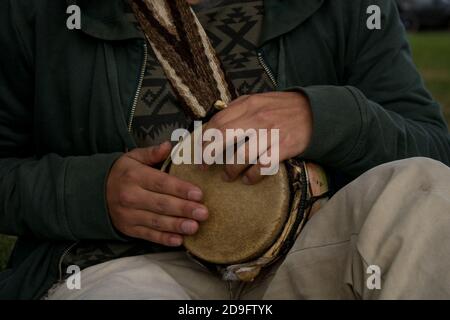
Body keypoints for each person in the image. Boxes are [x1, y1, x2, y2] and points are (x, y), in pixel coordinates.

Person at [0, 0, 449, 299]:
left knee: (426, 191)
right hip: (127, 271)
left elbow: (433, 150)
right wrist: (92, 193)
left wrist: (325, 118)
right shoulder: (35, 12)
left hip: (315, 250)